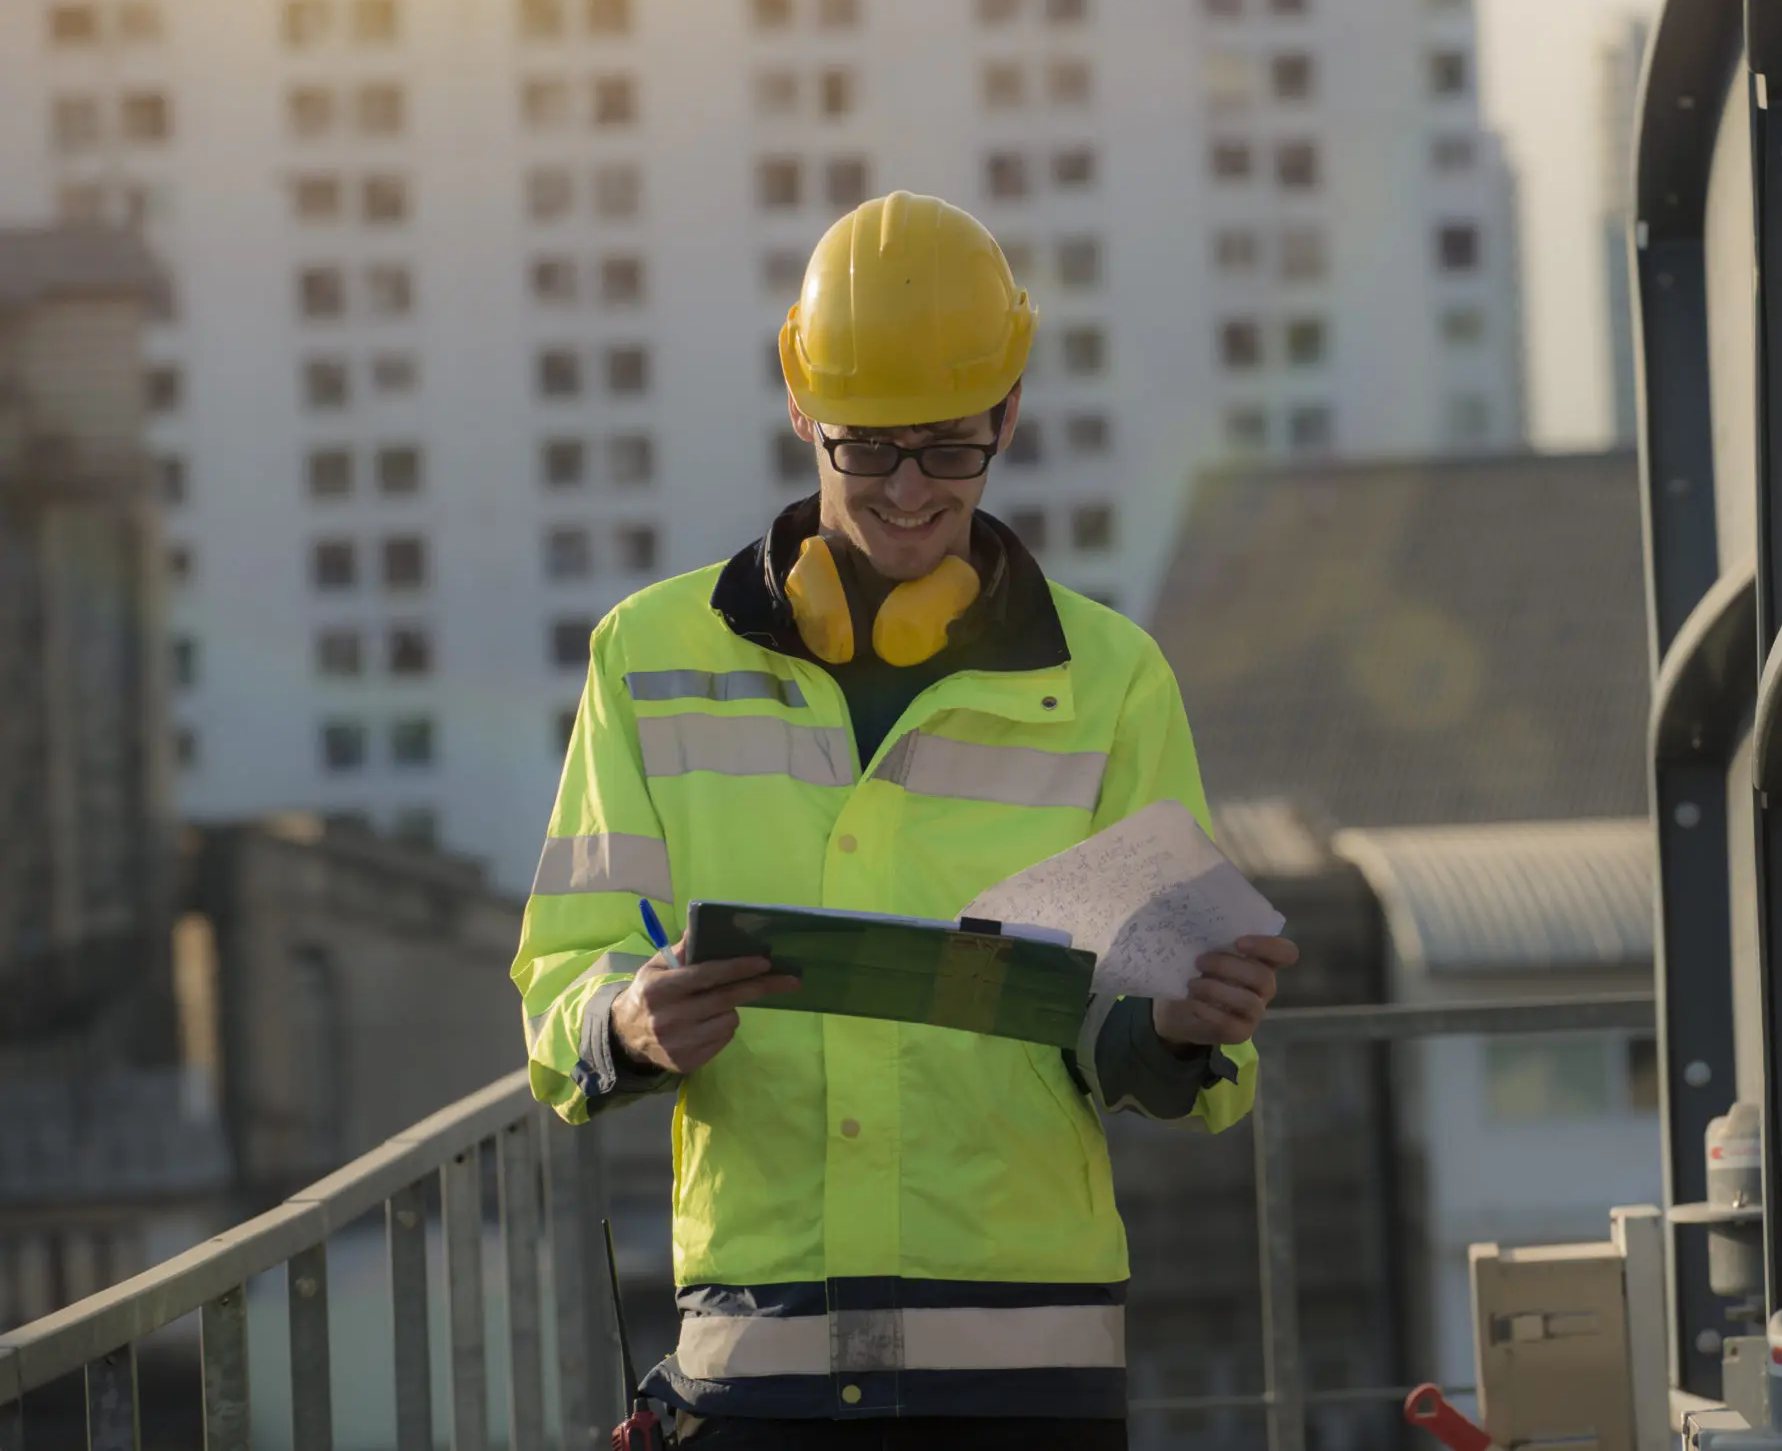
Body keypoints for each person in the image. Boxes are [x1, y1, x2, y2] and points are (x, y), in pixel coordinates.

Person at [514, 191, 1298, 1449]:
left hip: (1025, 1366)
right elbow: (560, 980)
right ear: (800, 412)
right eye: (865, 448)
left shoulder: (1111, 682)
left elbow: (1158, 1040)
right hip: (757, 1358)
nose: (908, 488)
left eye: (948, 447)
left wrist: (1181, 1025)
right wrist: (626, 1016)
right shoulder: (647, 660)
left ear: (1009, 416)